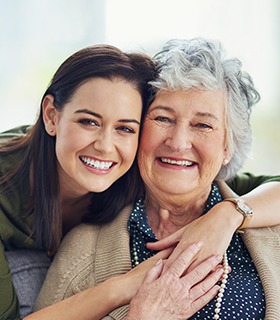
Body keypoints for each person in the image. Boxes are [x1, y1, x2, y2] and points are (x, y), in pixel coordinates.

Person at [34, 38, 280, 320]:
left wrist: (228, 214)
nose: (178, 143)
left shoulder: (269, 227)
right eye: (162, 118)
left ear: (228, 147)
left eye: (202, 125)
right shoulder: (84, 250)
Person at [0, 44, 158, 319]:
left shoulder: (139, 168)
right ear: (51, 115)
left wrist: (227, 216)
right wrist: (123, 287)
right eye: (89, 122)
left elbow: (257, 185)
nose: (106, 146)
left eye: (125, 128)